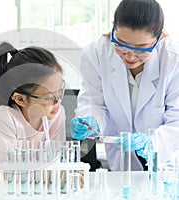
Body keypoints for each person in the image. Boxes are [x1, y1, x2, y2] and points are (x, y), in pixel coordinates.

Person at [71, 0, 179, 171]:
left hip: (167, 164)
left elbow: (177, 120)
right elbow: (94, 103)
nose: (130, 56)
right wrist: (90, 120)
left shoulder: (174, 59)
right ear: (113, 28)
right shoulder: (96, 53)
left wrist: (152, 143)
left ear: (160, 38)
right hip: (121, 163)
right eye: (120, 45)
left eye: (141, 49)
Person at [0, 42, 66, 173]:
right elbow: (10, 169)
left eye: (60, 91)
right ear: (20, 99)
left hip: (27, 179)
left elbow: (55, 159)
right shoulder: (4, 118)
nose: (58, 102)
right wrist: (56, 177)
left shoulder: (56, 113)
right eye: (48, 97)